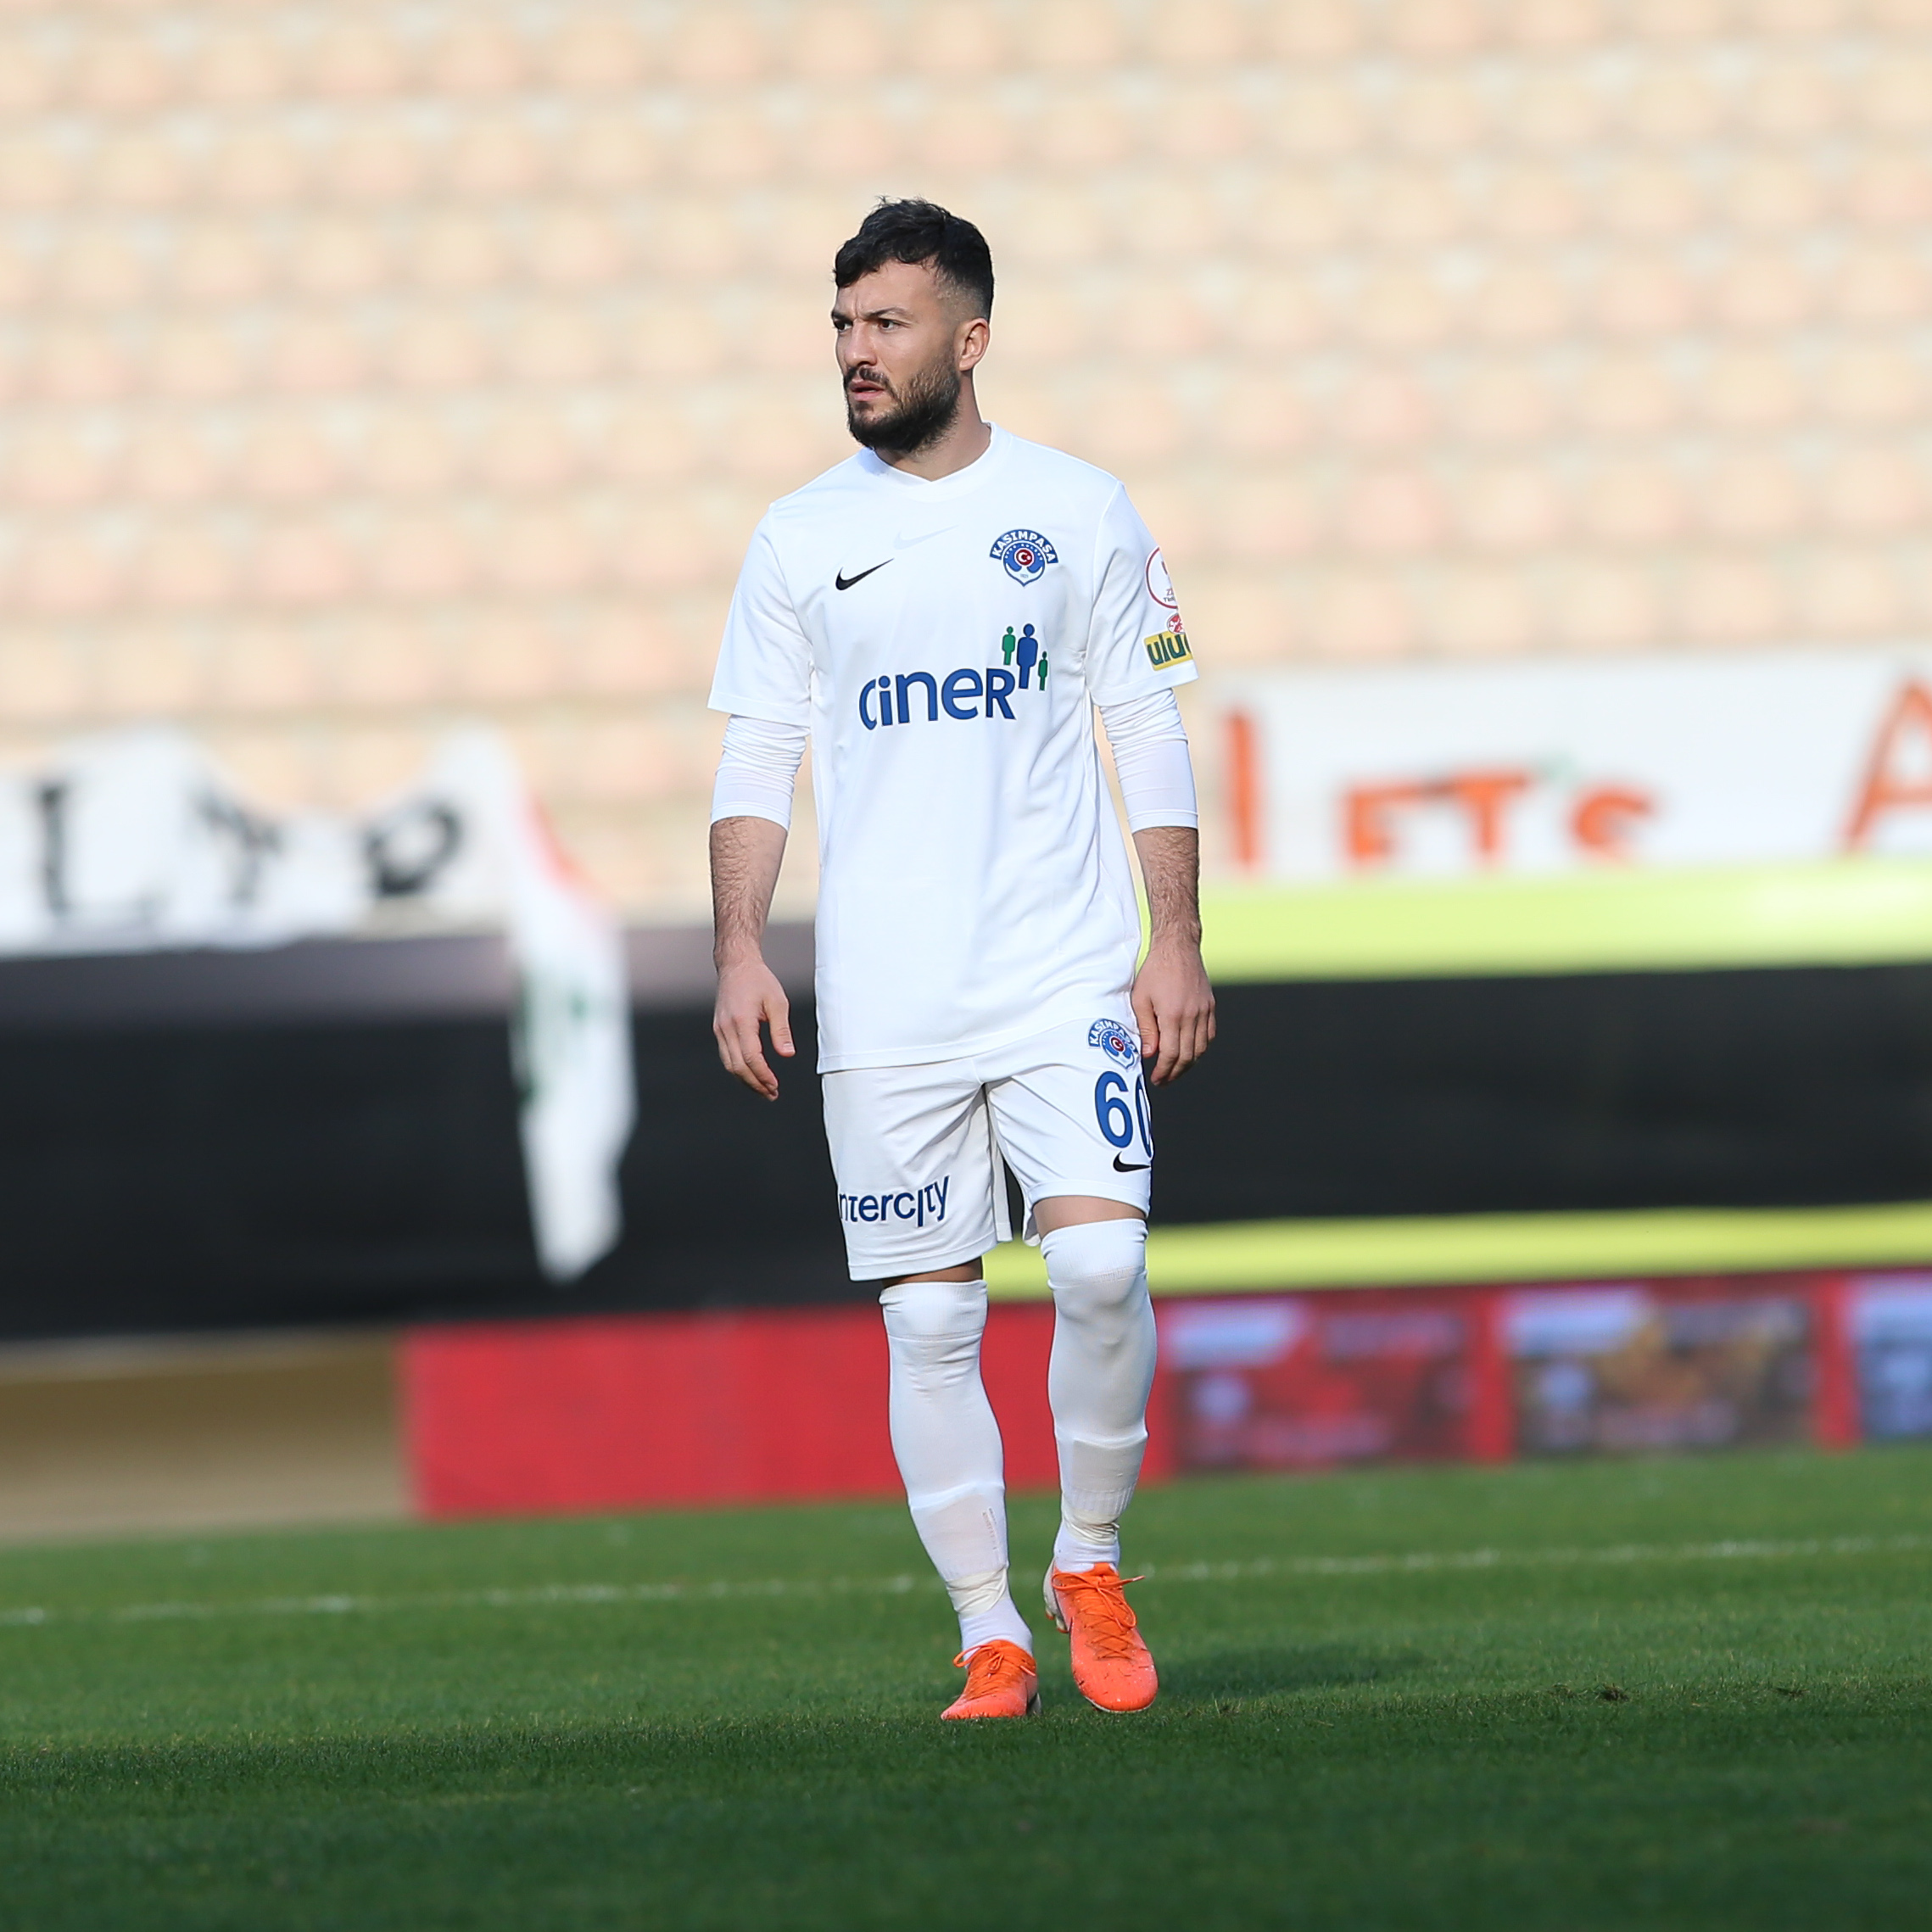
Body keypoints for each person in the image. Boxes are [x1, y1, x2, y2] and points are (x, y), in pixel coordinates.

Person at [706, 198, 1214, 1721]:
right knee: (930, 1320)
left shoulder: (1079, 508)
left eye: (887, 324)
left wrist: (1175, 938)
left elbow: (1147, 721)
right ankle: (988, 1628)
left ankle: (1089, 1561)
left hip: (1061, 971)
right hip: (888, 995)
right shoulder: (798, 535)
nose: (855, 352)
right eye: (842, 326)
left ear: (970, 338)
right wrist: (738, 946)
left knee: (1104, 1267)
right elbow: (758, 754)